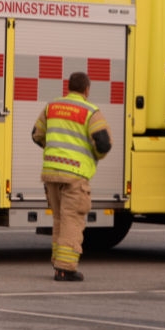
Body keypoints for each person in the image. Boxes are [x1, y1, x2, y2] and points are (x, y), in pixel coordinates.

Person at [31, 71, 112, 282]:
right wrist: (93, 156)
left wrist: (53, 151)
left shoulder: (52, 107)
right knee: (72, 220)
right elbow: (104, 143)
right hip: (75, 175)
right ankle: (65, 269)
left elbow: (36, 135)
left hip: (51, 174)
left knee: (59, 219)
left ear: (68, 87)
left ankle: (58, 261)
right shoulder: (90, 111)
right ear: (87, 89)